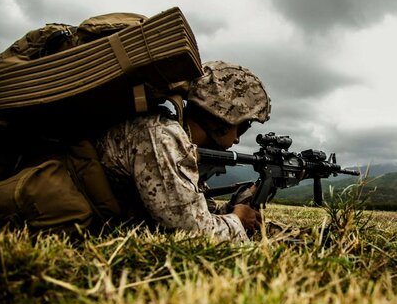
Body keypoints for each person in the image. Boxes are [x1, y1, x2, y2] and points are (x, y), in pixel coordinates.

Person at [94, 60, 270, 243]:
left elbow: (197, 211)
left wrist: (238, 205)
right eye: (243, 127)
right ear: (223, 119)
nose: (237, 139)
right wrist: (238, 221)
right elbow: (189, 233)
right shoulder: (162, 136)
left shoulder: (177, 139)